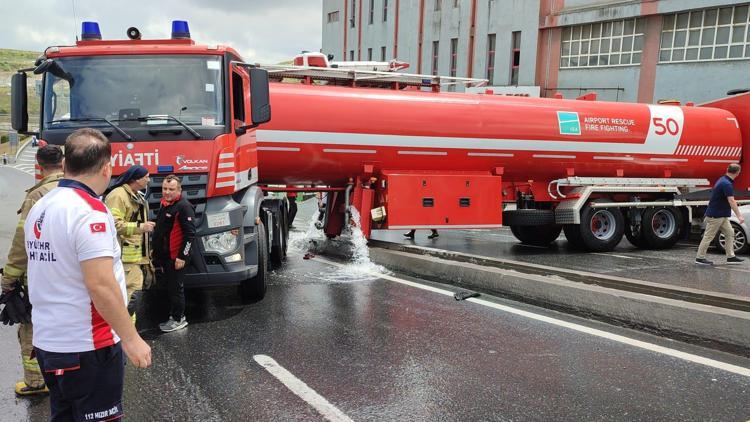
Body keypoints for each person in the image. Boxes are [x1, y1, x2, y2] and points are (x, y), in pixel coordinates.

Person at [25, 128, 151, 420]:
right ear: (107, 168)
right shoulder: (90, 212)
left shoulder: (41, 206)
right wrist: (131, 338)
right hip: (88, 346)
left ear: (66, 164)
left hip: (49, 343)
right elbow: (100, 284)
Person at [1, 145, 63, 396]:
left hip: (40, 277)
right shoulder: (77, 191)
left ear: (38, 164)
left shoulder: (38, 196)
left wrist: (9, 277)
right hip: (69, 276)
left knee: (30, 328)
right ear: (63, 162)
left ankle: (36, 382)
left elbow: (22, 242)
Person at [104, 165, 154, 323]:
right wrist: (141, 227)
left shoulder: (134, 195)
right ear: (136, 179)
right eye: (146, 176)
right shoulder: (118, 196)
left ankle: (127, 334)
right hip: (124, 260)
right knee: (130, 297)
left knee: (132, 297)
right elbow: (114, 224)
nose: (149, 180)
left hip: (134, 258)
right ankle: (124, 335)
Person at [153, 174, 196, 332]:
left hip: (175, 257)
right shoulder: (165, 204)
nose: (167, 192)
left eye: (171, 189)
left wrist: (182, 257)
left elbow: (190, 234)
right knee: (170, 288)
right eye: (165, 188)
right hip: (165, 257)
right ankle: (173, 315)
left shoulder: (184, 207)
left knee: (176, 289)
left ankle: (179, 319)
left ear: (179, 190)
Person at [696, 163, 745, 266]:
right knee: (708, 236)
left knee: (730, 233)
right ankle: (700, 258)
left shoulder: (723, 179)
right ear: (737, 173)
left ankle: (731, 257)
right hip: (716, 215)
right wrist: (739, 215)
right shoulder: (726, 184)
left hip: (721, 215)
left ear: (728, 169)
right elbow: (731, 200)